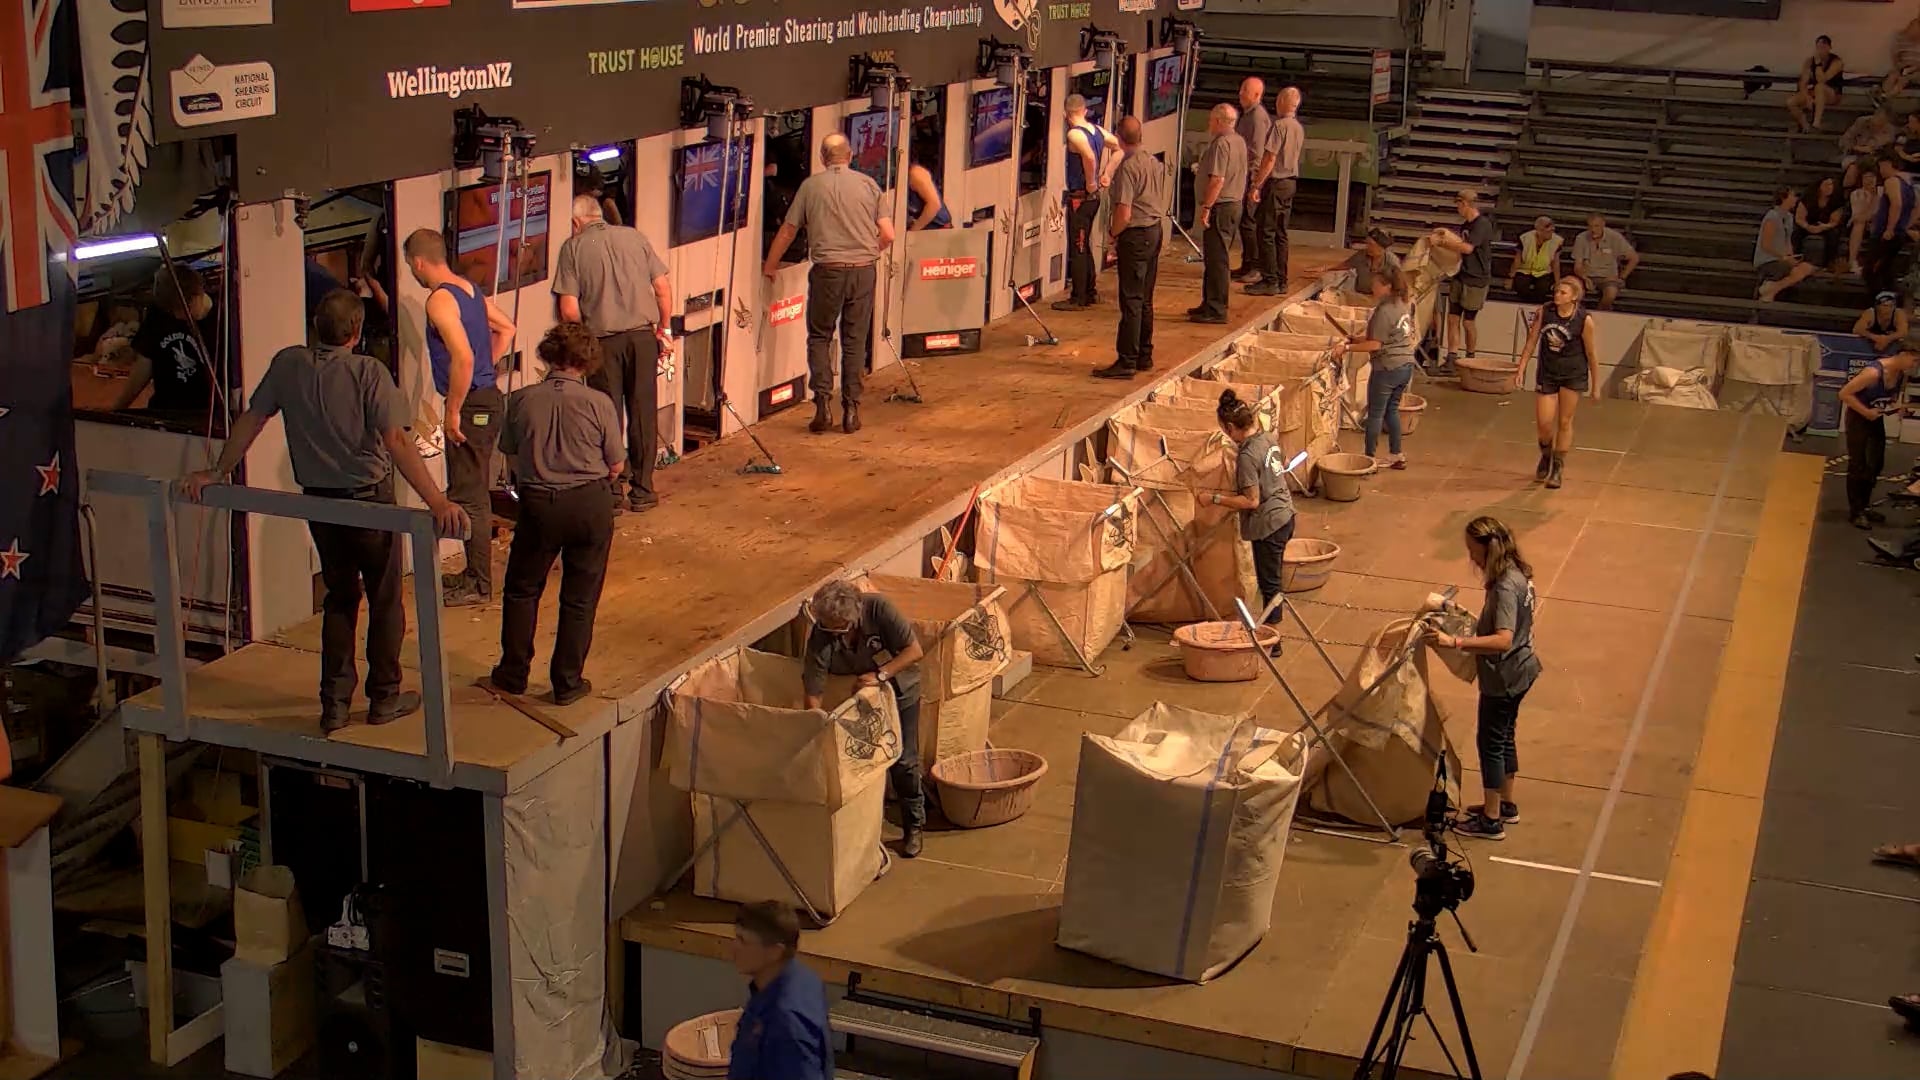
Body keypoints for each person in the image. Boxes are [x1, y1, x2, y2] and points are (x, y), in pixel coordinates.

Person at [182, 291, 468, 731]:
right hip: (370, 502)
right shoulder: (369, 372)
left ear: (316, 326)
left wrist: (218, 471)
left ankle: (334, 705)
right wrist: (438, 501)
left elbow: (253, 417)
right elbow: (396, 440)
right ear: (356, 331)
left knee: (339, 597)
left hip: (319, 502)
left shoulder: (288, 364)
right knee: (384, 599)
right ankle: (383, 698)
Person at [488, 324, 622, 706]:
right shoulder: (599, 403)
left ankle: (513, 673)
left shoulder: (521, 400)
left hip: (539, 504)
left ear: (548, 355)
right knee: (580, 597)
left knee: (522, 590)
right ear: (587, 359)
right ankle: (567, 682)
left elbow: (510, 453)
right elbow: (615, 465)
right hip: (589, 503)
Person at [401, 229, 514, 607]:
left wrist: (452, 410)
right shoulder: (468, 289)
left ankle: (478, 585)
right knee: (472, 491)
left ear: (419, 262)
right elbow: (507, 329)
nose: (412, 272)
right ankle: (473, 575)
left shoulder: (439, 300)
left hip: (471, 407)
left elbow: (463, 358)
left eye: (410, 266)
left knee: (470, 497)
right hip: (485, 399)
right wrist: (486, 370)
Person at [765, 133, 894, 436]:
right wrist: (868, 252)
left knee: (820, 336)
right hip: (863, 272)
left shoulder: (810, 187)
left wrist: (770, 265)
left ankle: (822, 405)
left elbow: (788, 230)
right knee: (854, 341)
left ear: (823, 158)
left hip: (827, 273)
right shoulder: (869, 185)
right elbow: (888, 234)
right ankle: (851, 410)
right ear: (850, 156)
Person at [554, 194, 677, 509]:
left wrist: (582, 342)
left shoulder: (573, 248)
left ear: (575, 222)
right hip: (642, 339)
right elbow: (662, 288)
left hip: (602, 343)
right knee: (642, 413)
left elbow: (569, 310)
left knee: (606, 415)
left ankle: (611, 491)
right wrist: (664, 329)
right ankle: (643, 491)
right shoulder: (634, 237)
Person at [1430, 516, 1541, 842]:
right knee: (1505, 736)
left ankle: (1491, 820)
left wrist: (1454, 641)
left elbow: (1503, 639)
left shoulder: (1505, 586)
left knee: (1490, 744)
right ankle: (1505, 803)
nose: (1471, 558)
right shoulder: (1516, 574)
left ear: (1486, 549)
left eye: (1472, 550)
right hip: (1523, 670)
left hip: (1504, 676)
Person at [802, 579, 926, 856]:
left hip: (898, 688)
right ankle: (865, 832)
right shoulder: (822, 631)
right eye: (828, 627)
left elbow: (914, 650)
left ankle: (914, 824)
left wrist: (881, 675)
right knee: (861, 762)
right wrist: (816, 724)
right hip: (857, 699)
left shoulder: (879, 608)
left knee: (903, 760)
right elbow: (813, 686)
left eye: (840, 627)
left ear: (855, 615)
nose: (833, 633)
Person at [1210, 390, 1296, 628]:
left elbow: (1251, 501)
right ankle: (1271, 631)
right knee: (1273, 578)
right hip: (1286, 514)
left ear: (1230, 427)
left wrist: (1215, 499)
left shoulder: (1247, 455)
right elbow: (1285, 462)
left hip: (1269, 524)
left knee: (1270, 586)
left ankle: (1272, 638)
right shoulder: (1267, 437)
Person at [1095, 117, 1167, 381]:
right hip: (1154, 231)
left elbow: (1123, 213)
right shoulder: (1153, 161)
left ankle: (1126, 360)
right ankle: (1144, 356)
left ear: (1118, 137)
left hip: (1135, 236)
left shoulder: (1127, 168)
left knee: (1131, 301)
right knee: (1145, 298)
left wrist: (1113, 234)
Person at [726, 901, 831, 1080]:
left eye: (743, 941)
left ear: (775, 952)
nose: (733, 947)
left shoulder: (785, 1024)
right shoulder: (804, 979)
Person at [1516, 277, 1600, 490]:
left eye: (1563, 293)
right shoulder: (1545, 312)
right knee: (1544, 423)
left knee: (1564, 421)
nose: (1557, 295)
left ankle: (1558, 467)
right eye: (1556, 291)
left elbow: (1592, 354)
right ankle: (1546, 455)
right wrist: (1521, 368)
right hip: (1548, 373)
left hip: (1573, 374)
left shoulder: (1584, 319)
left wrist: (1596, 385)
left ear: (1574, 297)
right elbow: (1532, 341)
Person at [1337, 266, 1418, 469]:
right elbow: (1385, 337)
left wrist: (1346, 348)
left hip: (1387, 368)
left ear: (1387, 286)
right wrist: (1357, 339)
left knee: (1375, 414)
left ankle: (1369, 458)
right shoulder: (1402, 304)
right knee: (1392, 410)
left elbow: (1375, 345)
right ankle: (1396, 455)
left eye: (1375, 283)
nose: (1371, 287)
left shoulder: (1384, 311)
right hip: (1405, 366)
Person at [111, 266, 217, 416]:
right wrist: (118, 409)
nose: (176, 316)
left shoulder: (222, 318)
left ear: (197, 295)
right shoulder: (160, 311)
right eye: (171, 311)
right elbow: (145, 362)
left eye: (181, 309)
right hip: (163, 411)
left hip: (205, 416)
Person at [1838, 348, 1916, 529]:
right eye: (1914, 360)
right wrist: (1866, 412)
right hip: (1859, 419)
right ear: (1903, 354)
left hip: (1875, 419)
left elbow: (1891, 397)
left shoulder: (1900, 374)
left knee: (1875, 464)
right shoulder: (1873, 373)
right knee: (1859, 464)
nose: (1915, 365)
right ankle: (1856, 512)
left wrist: (1897, 407)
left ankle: (1864, 506)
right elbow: (1844, 394)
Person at [1053, 94, 1112, 311]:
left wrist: (1091, 183)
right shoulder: (1097, 130)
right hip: (1091, 199)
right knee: (1084, 244)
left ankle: (1078, 298)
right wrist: (1107, 173)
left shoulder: (1074, 134)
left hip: (1081, 198)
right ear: (1085, 110)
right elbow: (1119, 147)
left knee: (1078, 247)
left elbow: (1089, 157)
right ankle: (1090, 292)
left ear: (1065, 114)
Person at [1189, 103, 1246, 325]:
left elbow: (1218, 179)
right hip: (1232, 204)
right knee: (1213, 258)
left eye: (1211, 120)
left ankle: (1216, 309)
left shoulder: (1223, 144)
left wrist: (1207, 207)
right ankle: (1208, 302)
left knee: (1218, 260)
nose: (1209, 124)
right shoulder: (1239, 141)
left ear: (1220, 121)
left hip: (1221, 206)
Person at [1431, 189, 1495, 365]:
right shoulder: (1466, 225)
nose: (1457, 209)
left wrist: (1444, 242)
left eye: (1458, 205)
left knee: (1468, 321)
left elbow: (1467, 248)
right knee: (1453, 318)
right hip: (1461, 275)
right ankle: (1452, 356)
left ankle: (1470, 356)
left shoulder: (1482, 224)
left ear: (1464, 204)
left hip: (1476, 278)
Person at [1756, 186, 1821, 302]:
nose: (1795, 199)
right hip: (1768, 260)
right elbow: (1765, 245)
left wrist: (1791, 256)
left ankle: (1772, 289)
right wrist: (1783, 257)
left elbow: (1787, 241)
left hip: (1782, 258)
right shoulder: (1772, 217)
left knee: (1807, 268)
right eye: (1792, 196)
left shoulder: (1789, 218)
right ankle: (1771, 291)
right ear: (1783, 198)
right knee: (1795, 271)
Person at [1865, 159, 1914, 297]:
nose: (1880, 171)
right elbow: (1916, 207)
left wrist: (1890, 228)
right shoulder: (1909, 184)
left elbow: (1896, 204)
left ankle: (1881, 302)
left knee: (1871, 270)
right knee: (1885, 270)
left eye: (1881, 167)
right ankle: (1892, 301)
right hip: (1898, 232)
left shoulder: (1892, 181)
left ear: (1888, 164)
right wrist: (1905, 225)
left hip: (1886, 232)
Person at [1571, 214, 1638, 311]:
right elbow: (1577, 267)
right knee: (1571, 291)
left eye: (1596, 226)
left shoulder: (1614, 237)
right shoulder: (1581, 238)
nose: (1593, 230)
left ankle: (1600, 313)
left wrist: (1621, 277)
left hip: (1608, 277)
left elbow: (1634, 258)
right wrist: (1584, 278)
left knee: (1611, 293)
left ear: (1603, 225)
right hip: (1586, 276)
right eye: (1590, 226)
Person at [1788, 36, 1845, 132]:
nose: (1821, 50)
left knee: (1819, 87)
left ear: (1829, 47)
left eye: (1823, 47)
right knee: (1791, 102)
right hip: (1814, 92)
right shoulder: (1809, 61)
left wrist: (1818, 64)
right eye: (1819, 47)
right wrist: (1807, 97)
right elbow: (1803, 82)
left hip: (1832, 93)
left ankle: (1816, 123)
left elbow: (1822, 80)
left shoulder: (1836, 62)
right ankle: (1805, 125)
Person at [1508, 216, 1562, 304]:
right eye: (1548, 231)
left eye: (1552, 230)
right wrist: (1511, 277)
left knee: (1543, 287)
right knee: (1521, 285)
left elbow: (1555, 263)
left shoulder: (1557, 241)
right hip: (1524, 270)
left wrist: (1558, 282)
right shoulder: (1525, 238)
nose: (1551, 233)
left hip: (1543, 271)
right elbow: (1517, 259)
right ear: (1539, 230)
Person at [1796, 176, 1847, 268]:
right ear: (1819, 186)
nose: (1829, 187)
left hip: (1826, 226)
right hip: (1808, 225)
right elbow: (1799, 218)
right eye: (1826, 185)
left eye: (1831, 185)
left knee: (1833, 234)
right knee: (1797, 233)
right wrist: (1807, 226)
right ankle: (1796, 258)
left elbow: (1834, 221)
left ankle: (1829, 262)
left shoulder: (1836, 200)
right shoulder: (1808, 198)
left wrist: (1824, 227)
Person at [1841, 108, 1897, 189]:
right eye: (1878, 118)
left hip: (1877, 158)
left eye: (1882, 121)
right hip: (1855, 154)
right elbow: (1845, 139)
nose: (1878, 123)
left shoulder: (1890, 130)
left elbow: (1881, 147)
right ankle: (1845, 192)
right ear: (1874, 115)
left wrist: (1871, 149)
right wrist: (1855, 147)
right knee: (1852, 170)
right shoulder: (1861, 122)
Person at [1346, 228, 1403, 303]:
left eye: (1371, 245)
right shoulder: (1361, 255)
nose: (1367, 247)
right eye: (1367, 243)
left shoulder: (1392, 262)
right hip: (1361, 297)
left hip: (1381, 300)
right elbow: (1346, 265)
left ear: (1381, 247)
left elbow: (1400, 285)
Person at [1851, 167, 1883, 274]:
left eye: (1872, 177)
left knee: (1877, 225)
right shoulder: (1856, 194)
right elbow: (1858, 215)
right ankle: (1852, 261)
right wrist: (1873, 201)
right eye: (1866, 177)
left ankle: (1876, 264)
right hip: (1861, 222)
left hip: (1879, 221)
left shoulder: (1883, 191)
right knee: (1859, 224)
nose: (1869, 180)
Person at [905, 154, 950, 231]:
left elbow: (934, 204)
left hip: (938, 228)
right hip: (924, 228)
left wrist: (913, 230)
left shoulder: (915, 173)